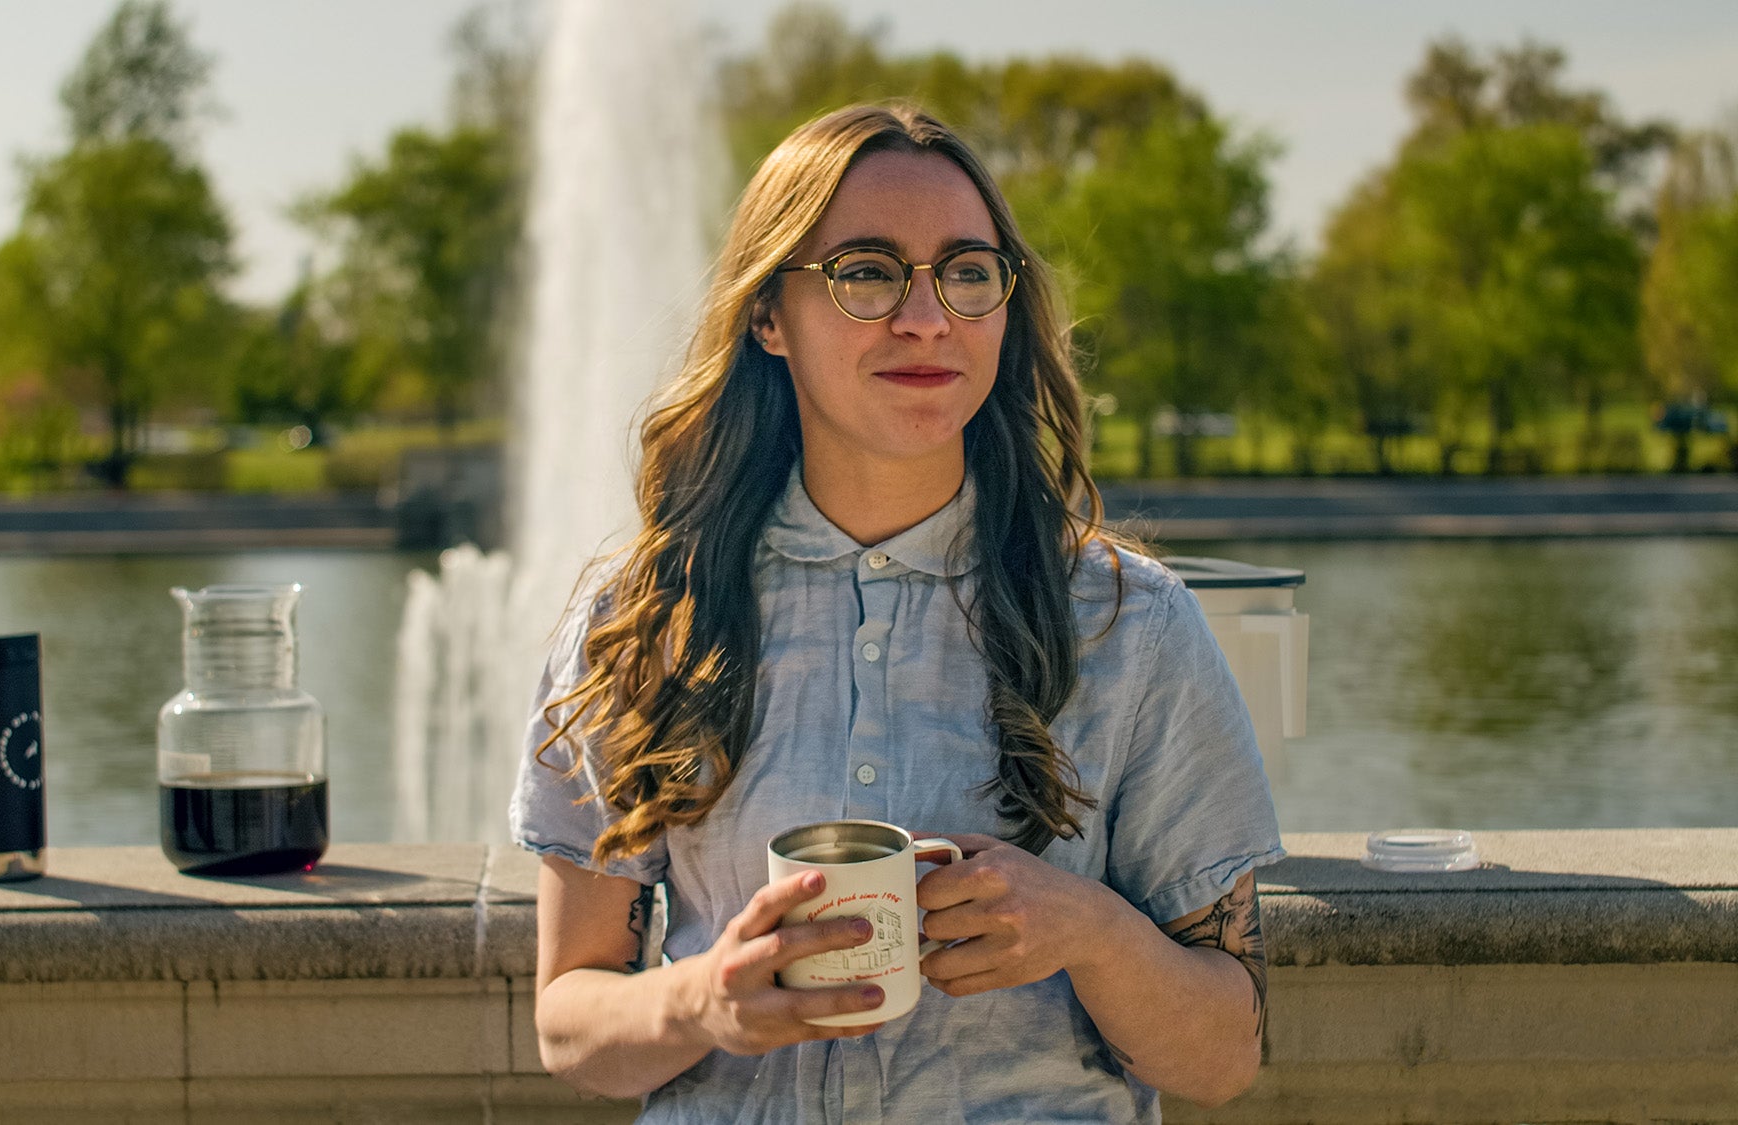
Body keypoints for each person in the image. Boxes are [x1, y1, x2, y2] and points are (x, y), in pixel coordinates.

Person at [511, 102, 1284, 1123]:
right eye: (865, 272)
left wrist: (1089, 930)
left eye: (967, 272)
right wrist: (703, 1001)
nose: (926, 318)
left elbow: (1224, 1054)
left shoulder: (1133, 625)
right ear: (767, 315)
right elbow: (570, 1024)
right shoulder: (645, 618)